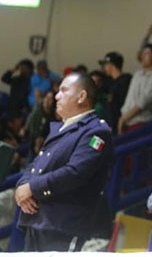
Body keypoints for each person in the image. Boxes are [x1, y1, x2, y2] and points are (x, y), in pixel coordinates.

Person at [15, 72, 114, 251]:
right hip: (38, 220)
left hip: (65, 225)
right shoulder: (61, 128)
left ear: (81, 97)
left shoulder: (95, 131)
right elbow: (36, 165)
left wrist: (32, 188)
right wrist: (22, 187)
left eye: (64, 90)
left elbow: (75, 172)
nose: (56, 96)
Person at [118, 44, 152, 133]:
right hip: (127, 122)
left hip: (141, 121)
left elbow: (143, 102)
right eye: (143, 53)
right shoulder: (137, 74)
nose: (143, 56)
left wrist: (123, 118)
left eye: (147, 54)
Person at [99, 51, 131, 132]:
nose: (104, 68)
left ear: (110, 65)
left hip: (119, 127)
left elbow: (122, 105)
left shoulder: (125, 81)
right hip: (110, 126)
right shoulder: (112, 83)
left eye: (105, 65)